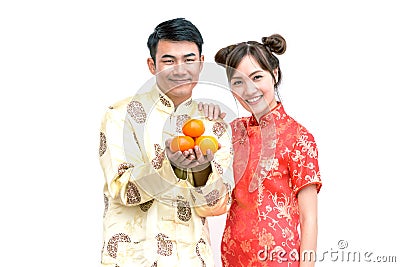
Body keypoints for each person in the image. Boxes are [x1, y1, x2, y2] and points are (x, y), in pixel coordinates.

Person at [99, 18, 234, 266]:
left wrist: (201, 171)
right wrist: (168, 166)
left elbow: (217, 206)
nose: (180, 70)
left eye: (189, 59)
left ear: (201, 63)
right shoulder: (121, 116)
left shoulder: (214, 125)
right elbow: (122, 191)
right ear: (152, 65)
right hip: (135, 259)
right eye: (168, 60)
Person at [214, 34, 322, 266]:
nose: (249, 89)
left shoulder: (298, 137)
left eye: (256, 77)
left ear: (274, 74)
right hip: (233, 255)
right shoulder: (233, 131)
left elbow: (308, 217)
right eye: (238, 82)